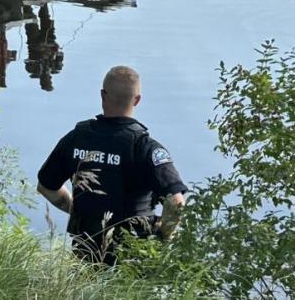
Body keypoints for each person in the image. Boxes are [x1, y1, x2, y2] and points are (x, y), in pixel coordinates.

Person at [36, 66, 187, 265]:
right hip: (133, 257)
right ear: (137, 100)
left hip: (86, 253)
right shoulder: (145, 147)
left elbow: (46, 186)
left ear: (102, 95)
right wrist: (163, 236)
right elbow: (176, 203)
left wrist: (76, 210)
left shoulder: (76, 138)